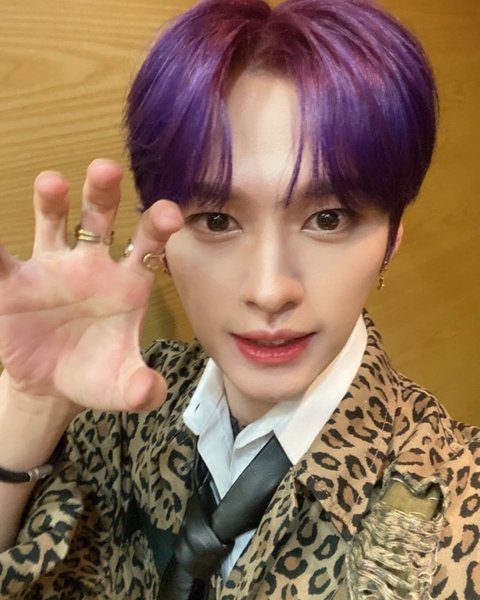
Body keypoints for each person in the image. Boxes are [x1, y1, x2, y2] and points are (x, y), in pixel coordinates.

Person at [0, 0, 478, 598]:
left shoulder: (453, 497)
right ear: (161, 236)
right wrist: (31, 404)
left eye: (329, 218)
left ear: (391, 241)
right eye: (217, 220)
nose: (269, 290)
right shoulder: (118, 407)